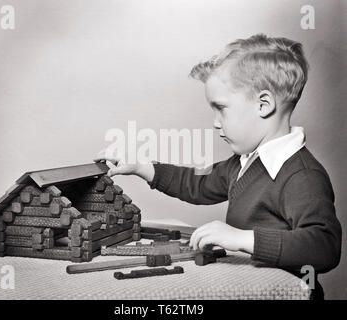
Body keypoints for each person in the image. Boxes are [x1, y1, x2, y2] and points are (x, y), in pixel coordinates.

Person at [95, 34, 341, 299]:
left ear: (264, 105)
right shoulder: (243, 162)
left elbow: (324, 246)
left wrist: (242, 239)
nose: (215, 122)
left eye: (221, 108)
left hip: (288, 293)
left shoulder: (301, 175)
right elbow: (198, 184)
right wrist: (143, 167)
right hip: (250, 287)